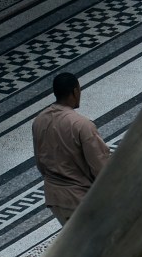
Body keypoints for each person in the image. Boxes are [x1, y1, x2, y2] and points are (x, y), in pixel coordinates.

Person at [31, 72, 111, 225]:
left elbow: (40, 163)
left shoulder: (39, 121)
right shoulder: (82, 125)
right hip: (79, 198)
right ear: (75, 91)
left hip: (54, 198)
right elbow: (101, 167)